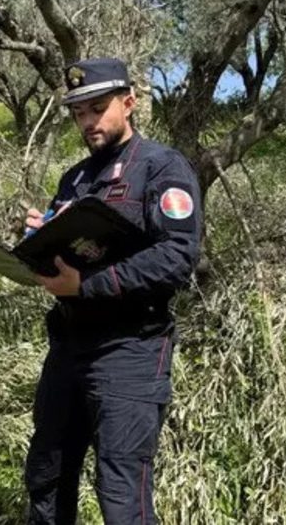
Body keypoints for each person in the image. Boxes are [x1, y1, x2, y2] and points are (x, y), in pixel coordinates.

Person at [24, 57, 203, 524]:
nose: (88, 121)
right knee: (46, 476)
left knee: (122, 494)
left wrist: (86, 284)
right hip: (68, 348)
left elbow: (177, 256)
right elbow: (67, 250)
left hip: (131, 349)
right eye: (78, 113)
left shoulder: (161, 167)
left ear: (129, 102)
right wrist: (38, 241)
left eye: (98, 108)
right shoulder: (75, 179)